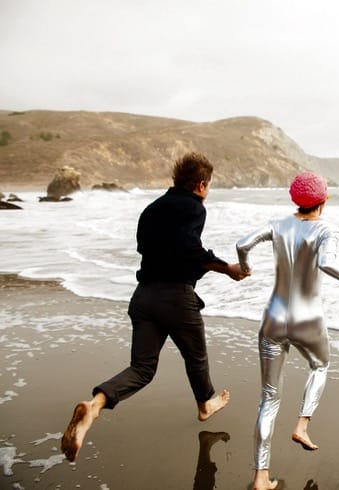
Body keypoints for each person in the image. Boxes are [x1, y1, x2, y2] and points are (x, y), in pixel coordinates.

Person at [61, 152, 248, 463]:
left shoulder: (151, 209)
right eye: (209, 185)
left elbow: (145, 248)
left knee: (142, 369)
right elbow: (189, 249)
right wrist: (226, 267)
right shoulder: (193, 207)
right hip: (175, 298)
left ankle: (94, 407)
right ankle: (205, 405)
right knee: (196, 357)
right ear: (201, 185)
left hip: (143, 296)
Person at [236, 171, 339, 490]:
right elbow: (328, 264)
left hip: (274, 319)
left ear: (296, 199)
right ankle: (302, 425)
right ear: (322, 201)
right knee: (320, 366)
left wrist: (245, 266)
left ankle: (261, 478)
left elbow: (242, 243)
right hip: (308, 320)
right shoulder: (326, 229)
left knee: (268, 398)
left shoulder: (277, 225)